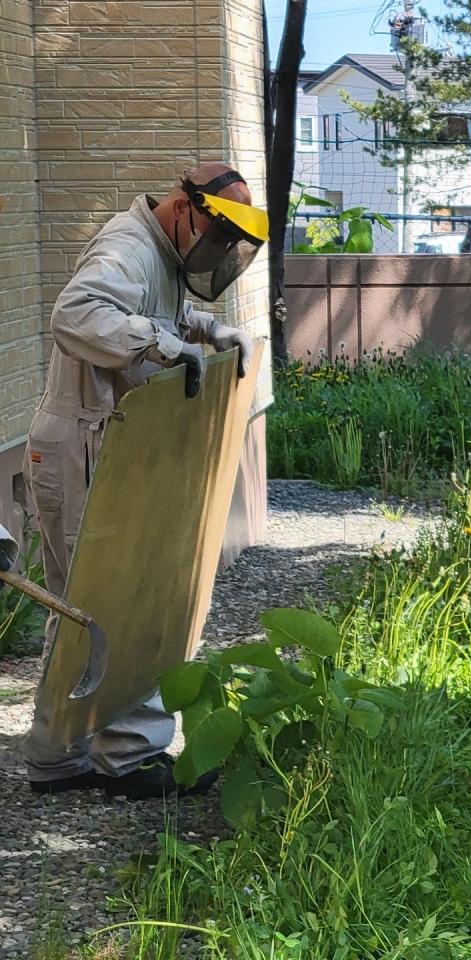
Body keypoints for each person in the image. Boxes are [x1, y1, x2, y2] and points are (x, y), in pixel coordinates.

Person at [24, 161, 265, 800]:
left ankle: (61, 752)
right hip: (82, 444)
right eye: (218, 237)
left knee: (92, 606)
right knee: (110, 602)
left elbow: (152, 313)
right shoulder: (129, 247)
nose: (220, 254)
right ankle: (122, 755)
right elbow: (77, 313)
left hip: (99, 442)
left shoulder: (160, 254)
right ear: (184, 209)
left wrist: (206, 329)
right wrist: (157, 345)